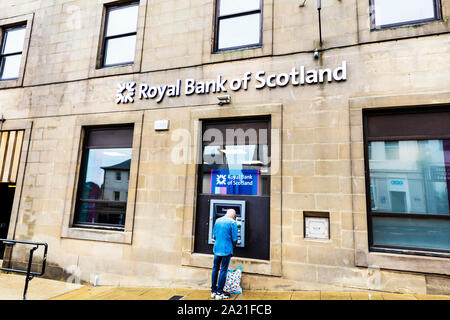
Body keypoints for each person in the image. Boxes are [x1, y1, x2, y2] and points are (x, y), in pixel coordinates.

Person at [210, 208, 238, 300]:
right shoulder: (233, 223)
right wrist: (234, 245)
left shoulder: (217, 220)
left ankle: (213, 291)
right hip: (226, 250)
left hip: (217, 248)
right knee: (223, 270)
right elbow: (234, 239)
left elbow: (214, 236)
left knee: (215, 268)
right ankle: (219, 293)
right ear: (233, 216)